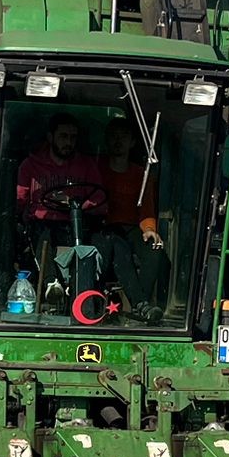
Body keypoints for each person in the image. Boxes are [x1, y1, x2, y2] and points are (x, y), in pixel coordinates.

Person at [100, 119, 165, 319]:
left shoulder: (141, 175)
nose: (118, 141)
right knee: (120, 250)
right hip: (104, 228)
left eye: (124, 136)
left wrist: (149, 230)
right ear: (107, 140)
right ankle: (141, 305)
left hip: (132, 227)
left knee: (154, 252)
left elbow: (146, 209)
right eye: (114, 136)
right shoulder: (96, 169)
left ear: (132, 143)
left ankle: (140, 306)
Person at [14, 113, 104, 228]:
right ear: (50, 137)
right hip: (40, 227)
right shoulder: (30, 165)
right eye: (63, 136)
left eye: (73, 137)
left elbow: (99, 200)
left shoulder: (87, 165)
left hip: (75, 226)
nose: (68, 143)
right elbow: (19, 199)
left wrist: (74, 206)